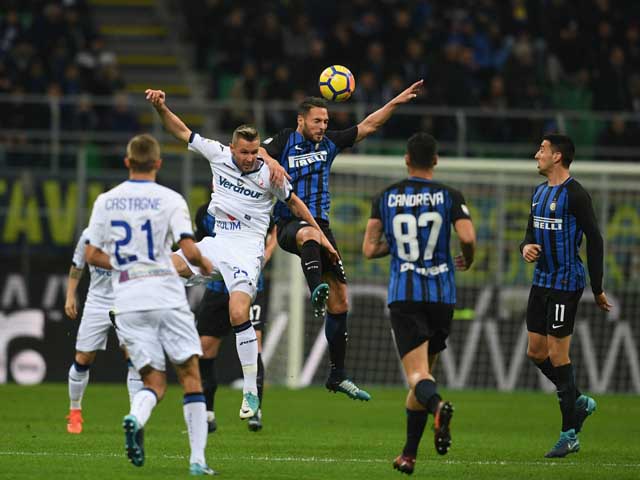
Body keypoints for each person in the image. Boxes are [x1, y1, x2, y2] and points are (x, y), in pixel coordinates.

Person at [144, 88, 338, 420]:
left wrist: (320, 234)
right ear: (232, 148)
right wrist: (161, 107)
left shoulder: (270, 173)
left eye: (254, 153)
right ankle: (127, 314)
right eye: (244, 153)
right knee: (163, 268)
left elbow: (295, 203)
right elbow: (180, 130)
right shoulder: (218, 154)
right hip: (218, 242)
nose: (250, 159)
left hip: (248, 250)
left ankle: (250, 390)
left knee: (237, 313)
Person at [259, 79, 424, 401]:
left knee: (341, 302)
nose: (322, 126)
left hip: (322, 226)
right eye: (317, 121)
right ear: (301, 120)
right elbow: (255, 150)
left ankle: (337, 374)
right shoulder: (283, 141)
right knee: (309, 235)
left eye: (325, 122)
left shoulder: (329, 144)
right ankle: (315, 288)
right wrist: (271, 160)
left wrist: (395, 101)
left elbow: (369, 125)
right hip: (290, 223)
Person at [85, 133, 216, 475]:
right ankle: (198, 460)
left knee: (153, 382)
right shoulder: (170, 199)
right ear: (158, 163)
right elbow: (187, 249)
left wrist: (127, 265)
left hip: (127, 299)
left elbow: (91, 254)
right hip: (166, 296)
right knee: (190, 377)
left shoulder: (106, 201)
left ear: (127, 162)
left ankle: (135, 416)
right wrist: (205, 264)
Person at [362, 132, 476, 475]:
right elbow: (468, 237)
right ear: (436, 160)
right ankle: (408, 455)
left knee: (417, 377)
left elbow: (369, 249)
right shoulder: (450, 196)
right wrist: (467, 258)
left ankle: (438, 406)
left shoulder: (386, 196)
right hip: (441, 295)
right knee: (424, 375)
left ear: (407, 159)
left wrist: (394, 246)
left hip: (406, 295)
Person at [521, 133, 612, 458]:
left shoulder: (576, 195)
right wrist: (525, 247)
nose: (537, 155)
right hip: (541, 281)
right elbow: (530, 231)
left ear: (557, 156)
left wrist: (597, 287)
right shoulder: (538, 192)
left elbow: (595, 240)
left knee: (559, 355)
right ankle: (577, 400)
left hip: (566, 283)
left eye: (542, 150)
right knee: (535, 352)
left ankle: (569, 432)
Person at [193, 203, 277, 433]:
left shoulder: (253, 205)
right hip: (217, 288)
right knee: (205, 348)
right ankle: (207, 412)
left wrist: (264, 256)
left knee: (255, 343)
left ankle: (255, 408)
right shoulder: (204, 214)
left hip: (249, 287)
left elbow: (273, 234)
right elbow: (199, 245)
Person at [64, 228, 143, 434]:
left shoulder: (132, 232)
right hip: (97, 302)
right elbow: (77, 264)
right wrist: (70, 295)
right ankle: (74, 410)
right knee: (83, 358)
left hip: (127, 299)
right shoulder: (90, 234)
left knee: (133, 358)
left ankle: (135, 417)